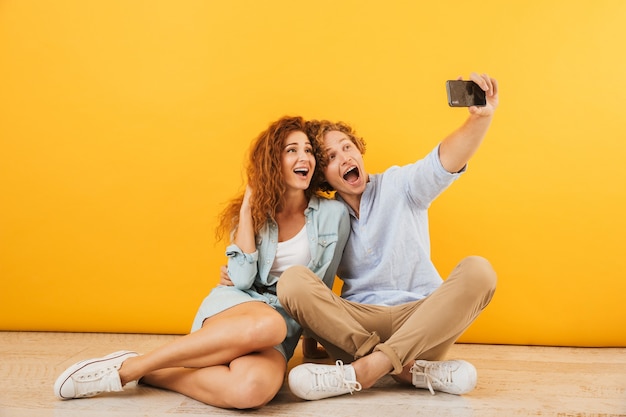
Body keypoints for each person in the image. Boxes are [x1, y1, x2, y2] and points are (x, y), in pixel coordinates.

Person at [53, 116, 350, 409]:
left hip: (282, 324)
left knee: (251, 391)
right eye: (292, 150)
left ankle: (152, 372)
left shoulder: (333, 215)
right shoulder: (253, 214)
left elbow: (318, 289)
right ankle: (124, 371)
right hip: (238, 306)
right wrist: (248, 207)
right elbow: (243, 281)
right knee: (269, 325)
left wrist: (310, 343)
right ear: (273, 162)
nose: (304, 158)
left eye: (309, 150)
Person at [278, 73, 499, 400]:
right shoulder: (322, 216)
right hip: (358, 328)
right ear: (322, 175)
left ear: (359, 150)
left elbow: (444, 161)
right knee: (291, 280)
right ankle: (409, 371)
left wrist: (479, 119)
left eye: (347, 147)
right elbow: (311, 282)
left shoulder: (401, 186)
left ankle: (367, 369)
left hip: (421, 322)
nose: (345, 158)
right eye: (332, 158)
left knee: (480, 271)